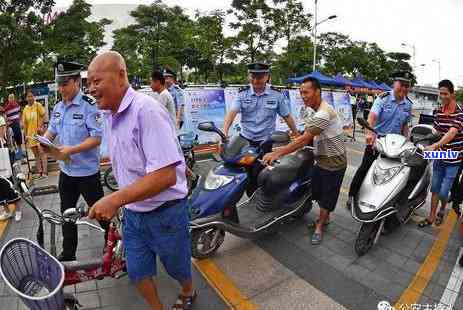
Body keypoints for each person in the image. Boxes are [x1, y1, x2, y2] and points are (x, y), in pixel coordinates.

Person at [87, 51, 196, 310]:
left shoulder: (146, 111)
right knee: (137, 272)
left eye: (97, 81)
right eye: (89, 83)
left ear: (121, 75)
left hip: (166, 213)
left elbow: (166, 175)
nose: (91, 88)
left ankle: (188, 290)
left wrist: (114, 198)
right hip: (134, 215)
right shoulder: (110, 115)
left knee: (176, 266)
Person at [262, 77, 346, 245]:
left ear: (317, 92)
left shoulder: (324, 113)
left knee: (327, 197)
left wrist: (279, 153)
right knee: (318, 191)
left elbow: (303, 140)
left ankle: (320, 225)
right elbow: (305, 134)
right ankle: (325, 217)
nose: (303, 96)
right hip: (321, 159)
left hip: (334, 163)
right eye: (301, 92)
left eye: (306, 92)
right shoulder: (312, 110)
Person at [42, 61, 109, 262]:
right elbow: (52, 131)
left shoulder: (89, 105)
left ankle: (112, 241)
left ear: (77, 82)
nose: (61, 89)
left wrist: (72, 149)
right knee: (66, 214)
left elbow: (97, 137)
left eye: (65, 84)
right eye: (59, 84)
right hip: (67, 172)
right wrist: (43, 141)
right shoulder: (59, 107)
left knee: (100, 212)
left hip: (87, 173)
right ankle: (69, 252)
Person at [347, 71, 414, 209]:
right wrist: (369, 134)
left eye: (407, 86)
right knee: (365, 168)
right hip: (378, 141)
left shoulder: (408, 104)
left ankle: (383, 202)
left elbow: (405, 126)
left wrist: (407, 141)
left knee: (393, 174)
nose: (404, 88)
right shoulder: (383, 98)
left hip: (395, 145)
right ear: (394, 84)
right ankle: (352, 196)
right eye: (401, 84)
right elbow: (371, 118)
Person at [418, 80, 463, 228]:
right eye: (440, 93)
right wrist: (426, 140)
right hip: (439, 157)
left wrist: (435, 145)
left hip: (454, 158)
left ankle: (442, 210)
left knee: (444, 192)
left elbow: (452, 133)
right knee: (435, 188)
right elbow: (437, 132)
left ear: (452, 93)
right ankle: (431, 217)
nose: (442, 96)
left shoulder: (460, 113)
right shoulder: (438, 111)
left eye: (445, 93)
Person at [223, 62, 299, 147]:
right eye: (253, 77)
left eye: (259, 78)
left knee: (265, 160)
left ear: (267, 76)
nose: (255, 81)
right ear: (249, 76)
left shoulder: (276, 94)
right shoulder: (242, 93)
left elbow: (286, 116)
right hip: (245, 139)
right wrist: (224, 133)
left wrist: (296, 133)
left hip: (266, 140)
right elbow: (231, 114)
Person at [22, 89, 48, 180]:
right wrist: (25, 136)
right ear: (26, 98)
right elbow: (25, 124)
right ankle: (40, 172)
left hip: (39, 134)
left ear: (34, 97)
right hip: (30, 135)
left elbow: (44, 115)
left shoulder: (38, 105)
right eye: (28, 96)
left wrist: (42, 126)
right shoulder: (25, 109)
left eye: (31, 96)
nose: (30, 98)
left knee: (42, 152)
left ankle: (45, 172)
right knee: (36, 155)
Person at [0, 115, 20, 221]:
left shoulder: (1, 119)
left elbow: (3, 134)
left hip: (5, 156)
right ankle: (7, 211)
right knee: (0, 189)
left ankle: (18, 210)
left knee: (11, 186)